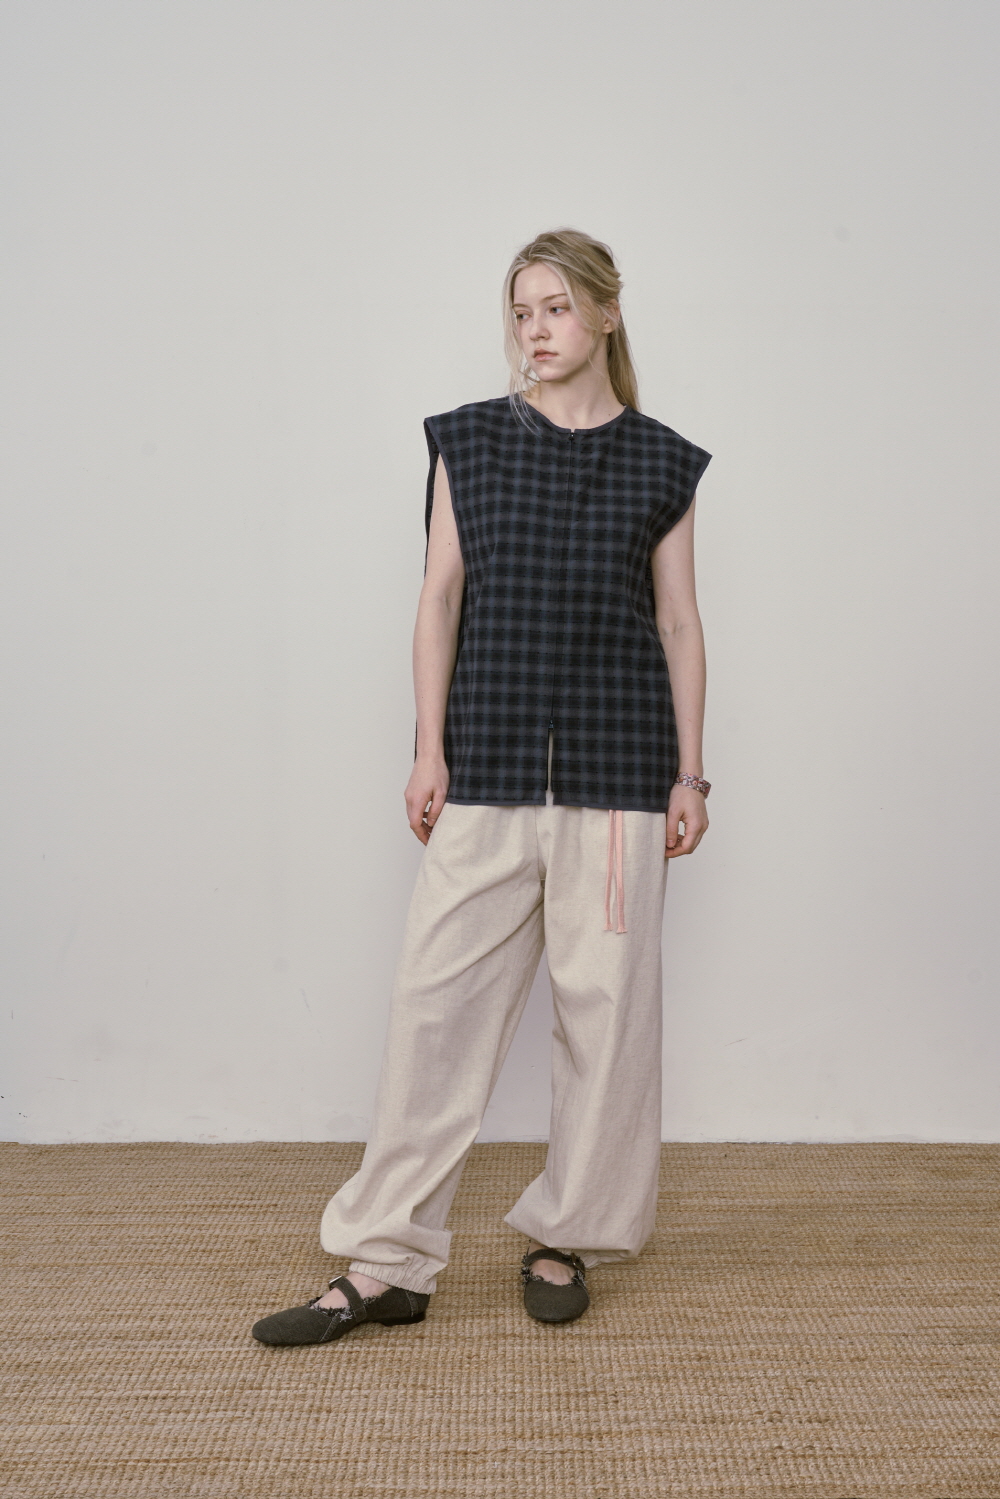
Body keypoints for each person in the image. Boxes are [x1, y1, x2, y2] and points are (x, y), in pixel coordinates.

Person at [252, 228, 712, 1347]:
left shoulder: (663, 461)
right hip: (488, 766)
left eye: (555, 307)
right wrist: (429, 748)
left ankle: (569, 1235)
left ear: (605, 313)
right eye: (520, 312)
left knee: (606, 1022)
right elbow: (438, 596)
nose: (535, 330)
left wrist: (689, 773)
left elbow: (679, 621)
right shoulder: (468, 440)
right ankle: (387, 1261)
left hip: (619, 779)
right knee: (435, 1010)